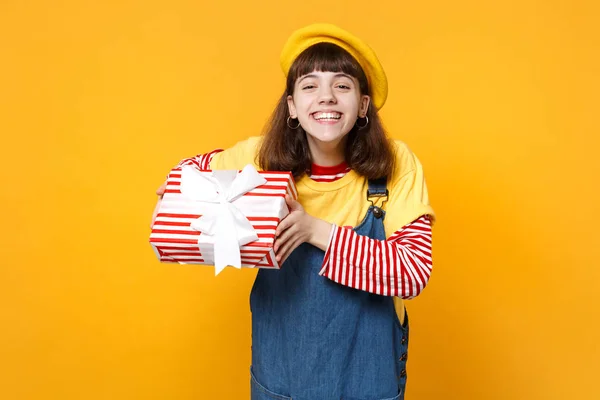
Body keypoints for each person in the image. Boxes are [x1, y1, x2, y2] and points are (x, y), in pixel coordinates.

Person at [153, 23, 435, 400]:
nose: (326, 97)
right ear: (292, 106)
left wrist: (311, 230)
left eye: (342, 85)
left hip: (368, 382)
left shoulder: (397, 164)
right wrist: (183, 196)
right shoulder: (259, 161)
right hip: (282, 380)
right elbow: (185, 173)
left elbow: (411, 271)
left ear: (363, 104)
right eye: (309, 86)